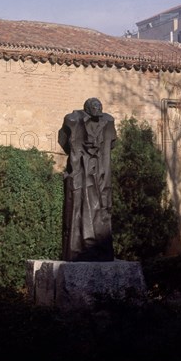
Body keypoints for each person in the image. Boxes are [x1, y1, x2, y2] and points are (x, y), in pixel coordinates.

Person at [58, 98, 116, 261]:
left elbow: (112, 143)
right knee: (80, 207)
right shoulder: (73, 120)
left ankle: (98, 247)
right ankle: (80, 247)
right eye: (94, 107)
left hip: (101, 174)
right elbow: (63, 140)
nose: (98, 109)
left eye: (100, 106)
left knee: (101, 208)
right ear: (87, 108)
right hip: (80, 173)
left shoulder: (108, 122)